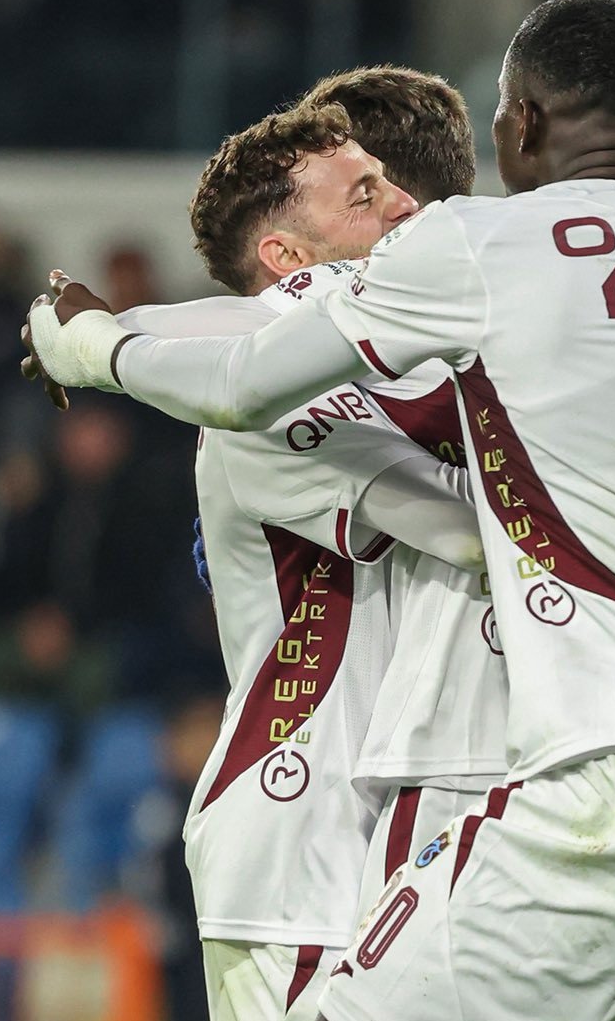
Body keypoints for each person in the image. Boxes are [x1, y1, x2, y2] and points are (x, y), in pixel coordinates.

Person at [24, 0, 615, 1021]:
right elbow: (260, 357)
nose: (406, 211)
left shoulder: (490, 281)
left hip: (579, 770)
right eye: (366, 194)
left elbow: (252, 362)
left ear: (521, 121)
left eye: (392, 187)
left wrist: (97, 342)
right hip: (343, 825)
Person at [108, 75, 490, 1021]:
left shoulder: (396, 358)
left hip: (412, 826)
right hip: (301, 835)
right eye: (365, 195)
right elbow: (483, 531)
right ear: (288, 257)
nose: (400, 211)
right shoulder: (276, 396)